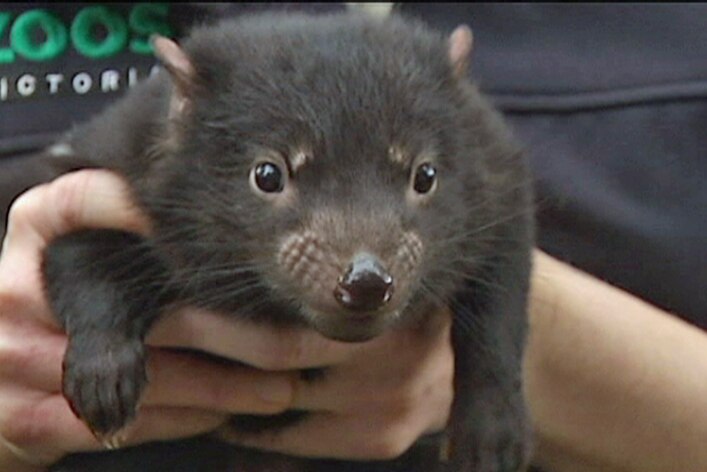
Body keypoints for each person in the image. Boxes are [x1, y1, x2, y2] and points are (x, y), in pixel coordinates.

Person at [1, 3, 706, 471]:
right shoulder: (162, 129)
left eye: (421, 179)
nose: (364, 264)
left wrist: (502, 378)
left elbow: (500, 214)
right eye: (272, 177)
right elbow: (84, 237)